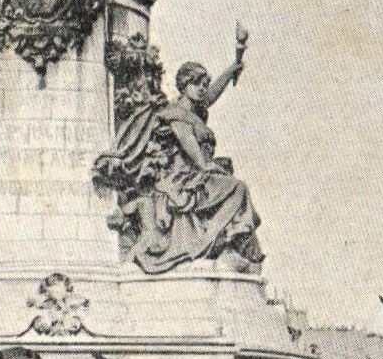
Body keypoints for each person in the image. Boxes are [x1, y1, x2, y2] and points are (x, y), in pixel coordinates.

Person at [94, 58, 263, 274]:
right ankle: (223, 237)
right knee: (238, 187)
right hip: (180, 178)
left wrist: (233, 66)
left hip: (194, 174)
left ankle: (232, 238)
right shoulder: (177, 116)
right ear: (184, 86)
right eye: (197, 83)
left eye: (204, 83)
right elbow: (198, 160)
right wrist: (216, 169)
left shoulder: (195, 112)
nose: (202, 89)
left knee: (235, 186)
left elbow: (211, 96)